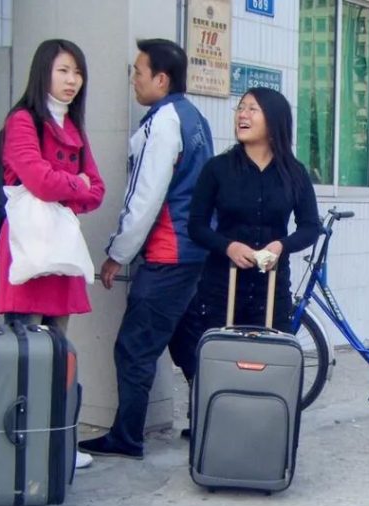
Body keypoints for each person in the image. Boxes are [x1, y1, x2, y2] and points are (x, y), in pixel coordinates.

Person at [77, 39, 213, 461]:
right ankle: (213, 422)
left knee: (133, 348)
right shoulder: (195, 119)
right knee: (188, 345)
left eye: (138, 72)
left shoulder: (164, 123)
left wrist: (117, 253)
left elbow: (144, 198)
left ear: (161, 79)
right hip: (193, 254)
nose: (133, 80)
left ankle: (126, 437)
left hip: (168, 255)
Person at [170, 87, 321, 408]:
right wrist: (228, 247)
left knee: (272, 366)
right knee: (218, 364)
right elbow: (196, 225)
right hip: (221, 287)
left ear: (274, 119)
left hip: (272, 288)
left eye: (253, 109)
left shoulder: (294, 172)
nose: (242, 115)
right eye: (240, 108)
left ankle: (264, 429)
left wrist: (281, 246)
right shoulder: (217, 169)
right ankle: (212, 426)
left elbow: (310, 227)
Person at [0, 39, 106, 469]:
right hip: (28, 248)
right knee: (26, 354)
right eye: (63, 70)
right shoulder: (23, 121)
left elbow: (97, 189)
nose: (72, 80)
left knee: (59, 353)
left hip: (60, 249)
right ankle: (23, 448)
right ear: (43, 72)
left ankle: (58, 446)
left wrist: (69, 187)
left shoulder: (74, 127)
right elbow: (39, 180)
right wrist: (74, 185)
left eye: (77, 72)